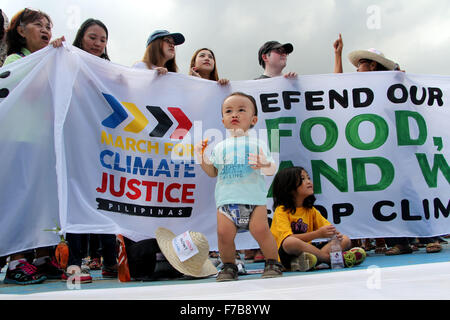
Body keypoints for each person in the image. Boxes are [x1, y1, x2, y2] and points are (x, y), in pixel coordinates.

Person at [2, 8, 65, 285]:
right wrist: (48, 60)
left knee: (43, 202)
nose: (45, 30)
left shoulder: (48, 60)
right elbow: (28, 93)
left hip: (43, 145)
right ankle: (17, 260)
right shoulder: (16, 61)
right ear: (20, 30)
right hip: (19, 142)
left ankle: (42, 256)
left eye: (48, 26)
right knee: (20, 199)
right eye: (38, 24)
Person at [195, 92, 283, 281]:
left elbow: (271, 169)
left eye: (241, 110)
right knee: (223, 234)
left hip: (254, 200)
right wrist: (201, 156)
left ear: (254, 119)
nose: (234, 114)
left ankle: (272, 262)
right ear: (223, 120)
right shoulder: (219, 147)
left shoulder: (258, 143)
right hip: (226, 200)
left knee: (261, 230)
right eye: (229, 111)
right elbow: (213, 172)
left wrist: (264, 164)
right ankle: (228, 266)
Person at [61, 18, 118, 284]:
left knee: (106, 199)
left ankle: (110, 261)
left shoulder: (110, 69)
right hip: (75, 141)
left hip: (104, 145)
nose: (97, 43)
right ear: (81, 37)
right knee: (77, 198)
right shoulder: (65, 59)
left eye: (103, 40)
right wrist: (54, 51)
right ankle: (74, 263)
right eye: (92, 37)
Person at [270, 166, 366, 271]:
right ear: (288, 187)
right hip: (287, 255)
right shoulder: (281, 210)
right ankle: (330, 259)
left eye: (308, 178)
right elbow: (286, 240)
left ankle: (306, 262)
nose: (308, 182)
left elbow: (330, 230)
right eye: (303, 179)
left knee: (345, 240)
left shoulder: (311, 210)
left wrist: (335, 235)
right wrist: (317, 234)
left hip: (311, 254)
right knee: (290, 242)